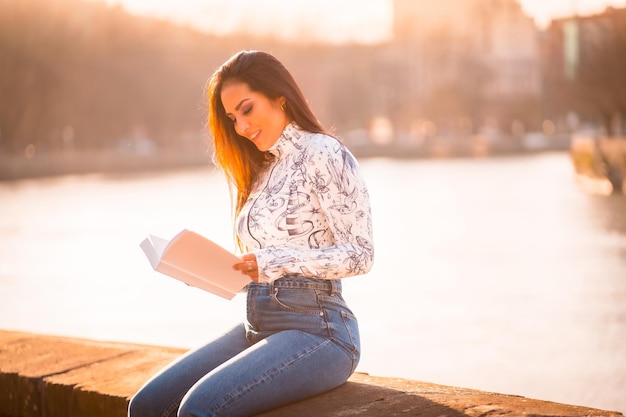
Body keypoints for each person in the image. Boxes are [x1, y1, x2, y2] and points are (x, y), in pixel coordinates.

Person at [128, 50, 374, 417]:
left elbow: (360, 254)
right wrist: (207, 272)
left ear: (279, 96)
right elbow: (264, 266)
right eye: (232, 118)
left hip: (321, 331)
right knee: (146, 405)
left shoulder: (323, 152)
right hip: (256, 322)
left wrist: (271, 262)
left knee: (198, 409)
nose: (240, 127)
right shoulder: (261, 170)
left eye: (246, 109)